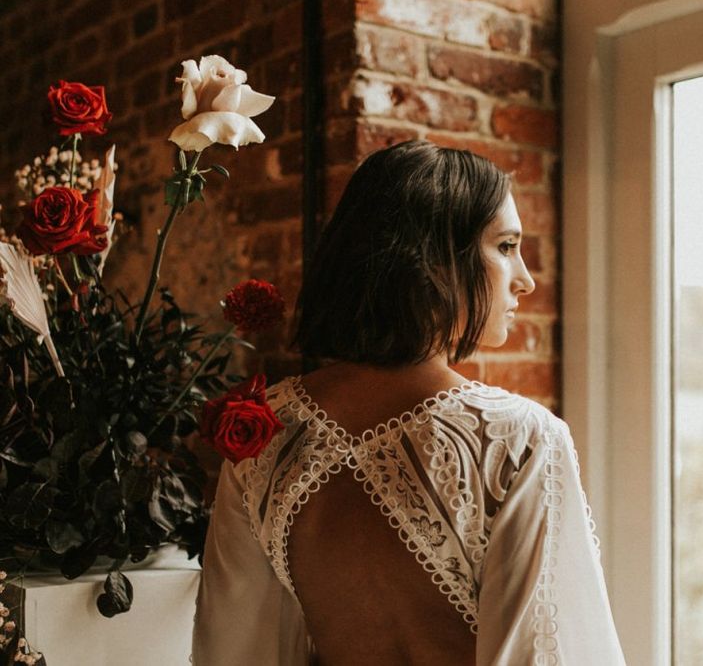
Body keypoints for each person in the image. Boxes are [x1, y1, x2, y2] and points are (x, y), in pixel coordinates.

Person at [191, 141, 626, 665]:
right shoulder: (520, 439)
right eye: (506, 246)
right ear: (433, 256)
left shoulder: (264, 430)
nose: (525, 280)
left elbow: (233, 650)